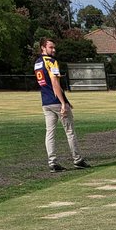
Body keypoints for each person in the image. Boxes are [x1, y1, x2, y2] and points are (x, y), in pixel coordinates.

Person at [34, 37, 89, 172]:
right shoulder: (51, 62)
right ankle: (78, 159)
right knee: (70, 131)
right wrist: (63, 102)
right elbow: (55, 83)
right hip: (56, 101)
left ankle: (52, 162)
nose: (54, 50)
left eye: (54, 47)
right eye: (51, 47)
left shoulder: (37, 62)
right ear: (43, 47)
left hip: (45, 101)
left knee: (50, 132)